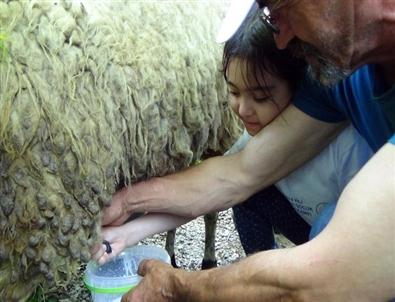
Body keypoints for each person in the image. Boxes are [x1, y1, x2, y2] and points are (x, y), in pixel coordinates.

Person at [102, 0, 395, 301]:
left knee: (331, 227)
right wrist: (125, 205)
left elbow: (326, 277)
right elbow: (242, 171)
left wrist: (177, 286)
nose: (280, 38)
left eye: (282, 9)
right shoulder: (343, 78)